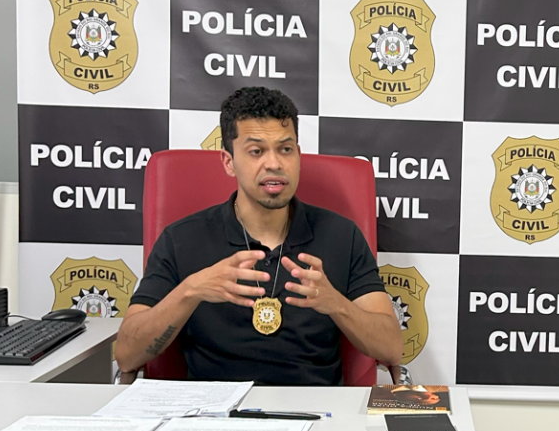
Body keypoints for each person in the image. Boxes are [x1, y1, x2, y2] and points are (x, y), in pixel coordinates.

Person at [115, 86, 402, 385]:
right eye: (256, 151)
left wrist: (337, 304)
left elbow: (392, 350)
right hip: (212, 409)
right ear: (228, 162)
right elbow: (127, 356)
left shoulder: (342, 236)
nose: (274, 164)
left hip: (314, 407)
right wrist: (191, 291)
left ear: (298, 155)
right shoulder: (181, 239)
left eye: (285, 149)